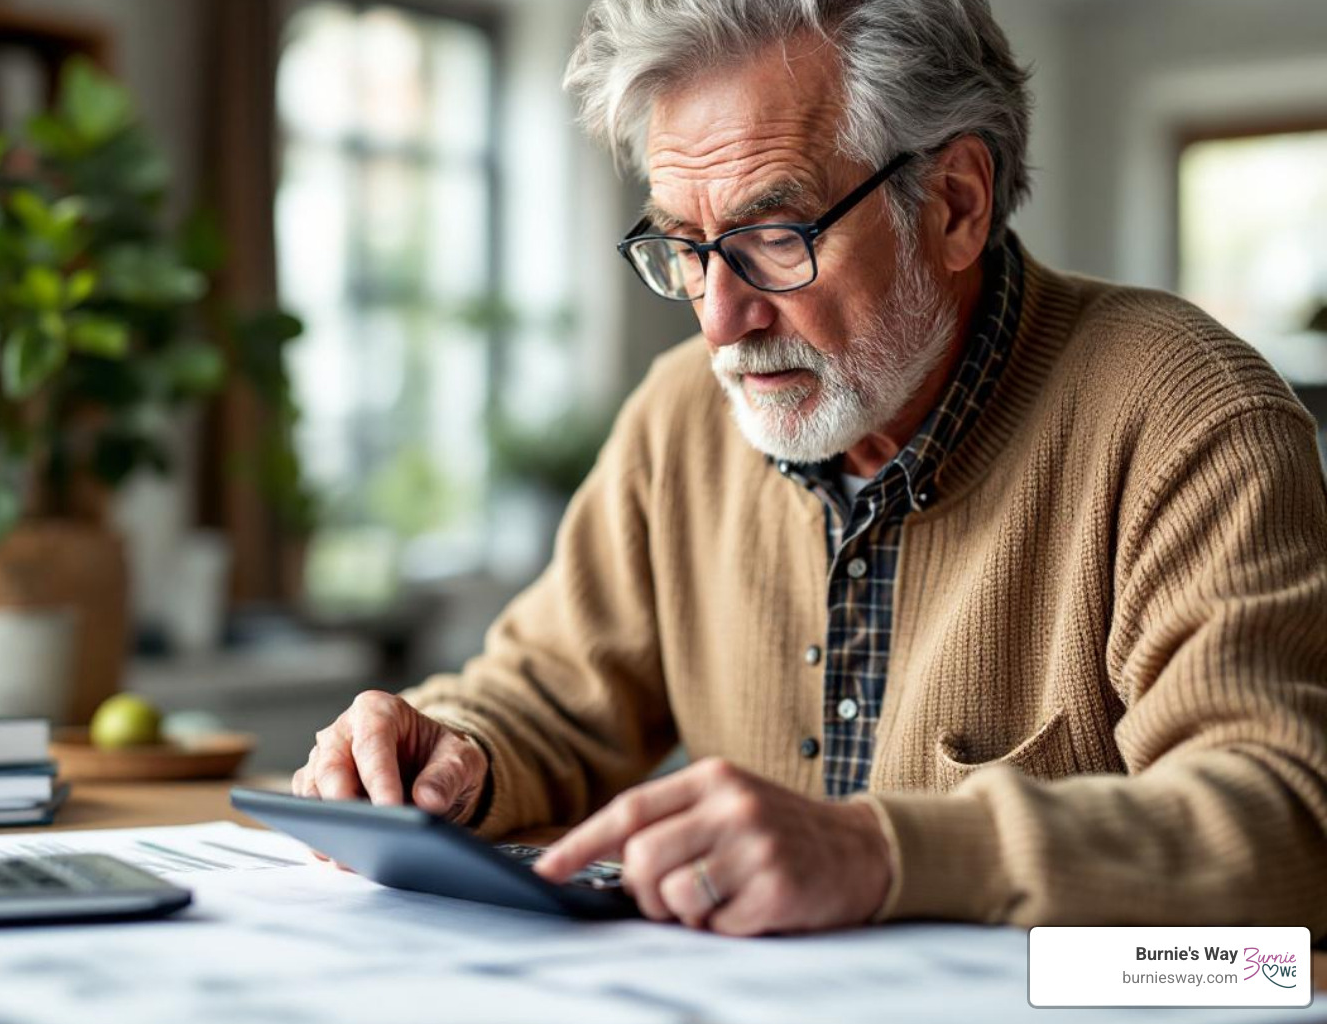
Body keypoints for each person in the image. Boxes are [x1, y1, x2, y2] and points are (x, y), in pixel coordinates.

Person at [294, 0, 1327, 938]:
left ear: (958, 203)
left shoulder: (1185, 414)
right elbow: (554, 697)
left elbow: (1284, 823)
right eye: (684, 245)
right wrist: (456, 753)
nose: (719, 316)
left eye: (774, 237)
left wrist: (883, 852)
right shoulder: (680, 419)